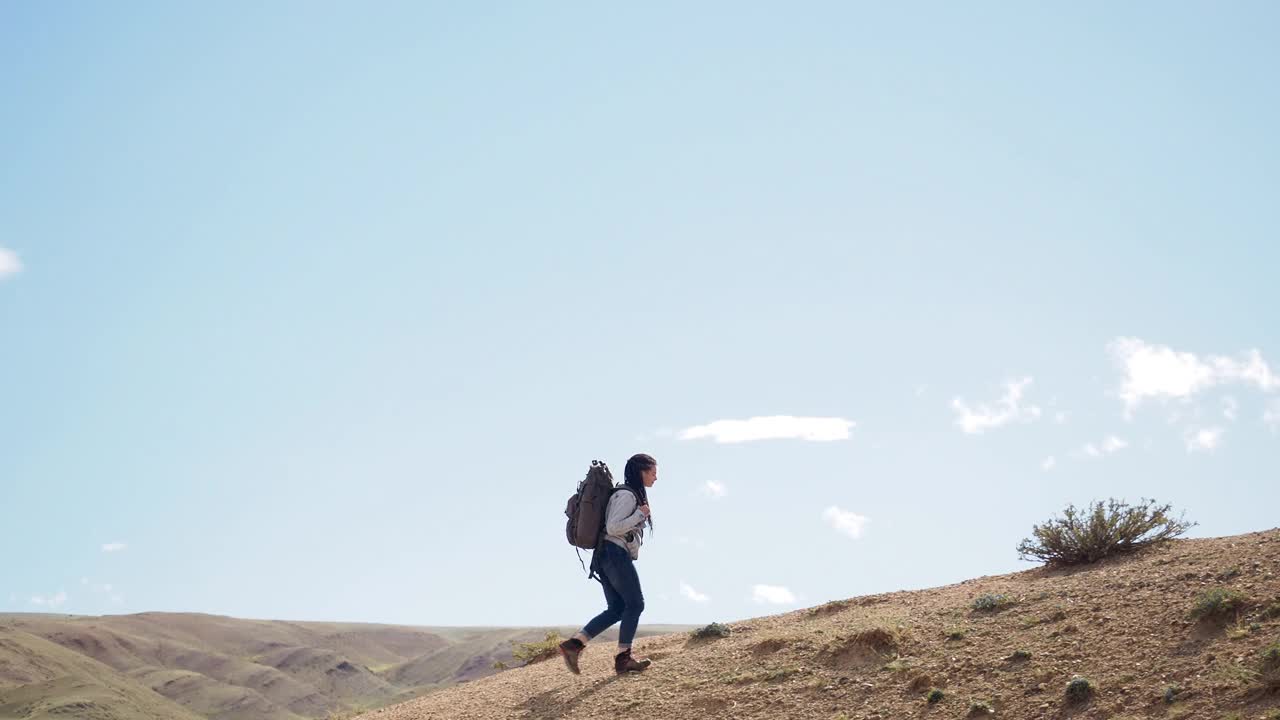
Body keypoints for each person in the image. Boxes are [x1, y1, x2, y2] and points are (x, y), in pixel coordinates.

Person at [559, 453, 657, 675]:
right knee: (635, 604)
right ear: (641, 472)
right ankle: (624, 658)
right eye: (653, 472)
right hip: (614, 553)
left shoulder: (625, 494)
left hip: (605, 556)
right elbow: (614, 527)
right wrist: (640, 514)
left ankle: (574, 645)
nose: (655, 477)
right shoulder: (626, 496)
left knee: (617, 609)